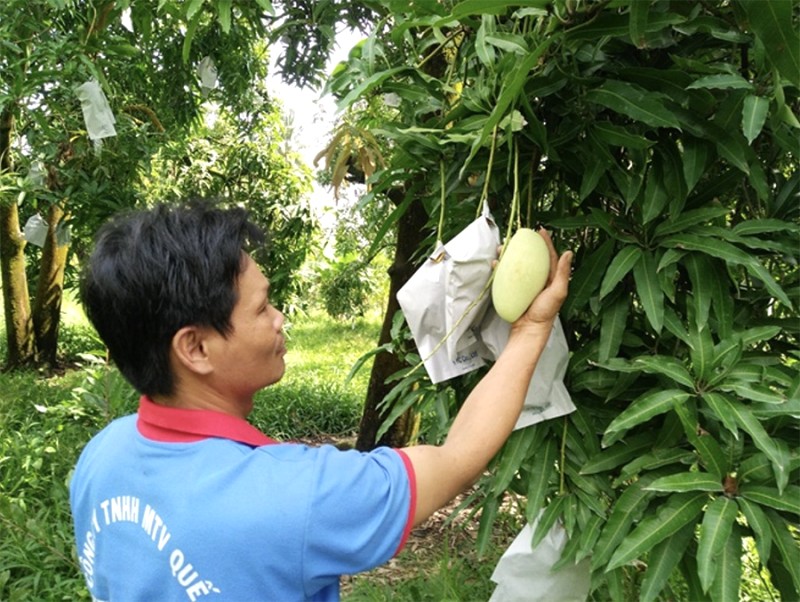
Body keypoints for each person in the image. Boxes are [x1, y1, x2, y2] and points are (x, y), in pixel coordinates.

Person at [69, 200, 573, 601]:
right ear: (196, 348)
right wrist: (531, 329)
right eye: (263, 306)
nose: (281, 317)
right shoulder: (297, 496)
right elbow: (457, 458)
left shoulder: (102, 456)